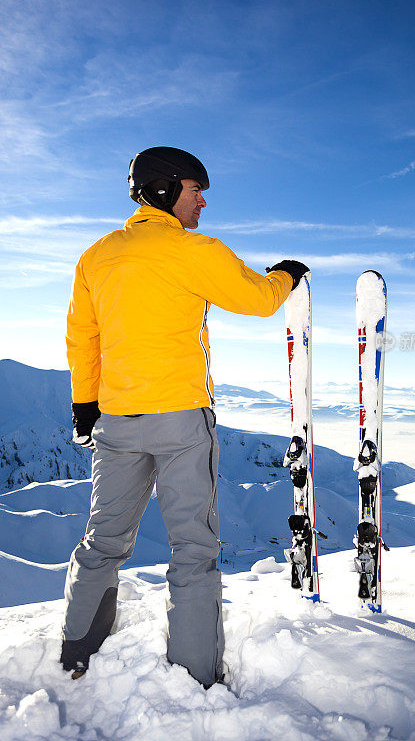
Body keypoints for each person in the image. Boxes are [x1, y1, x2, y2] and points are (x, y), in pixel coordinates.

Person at [60, 146, 308, 688]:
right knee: (194, 552)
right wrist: (286, 274)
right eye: (196, 192)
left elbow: (84, 338)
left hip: (117, 420)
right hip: (180, 423)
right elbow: (257, 298)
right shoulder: (192, 250)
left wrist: (85, 406)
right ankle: (196, 681)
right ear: (166, 189)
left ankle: (76, 656)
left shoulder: (96, 256)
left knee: (103, 540)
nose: (202, 204)